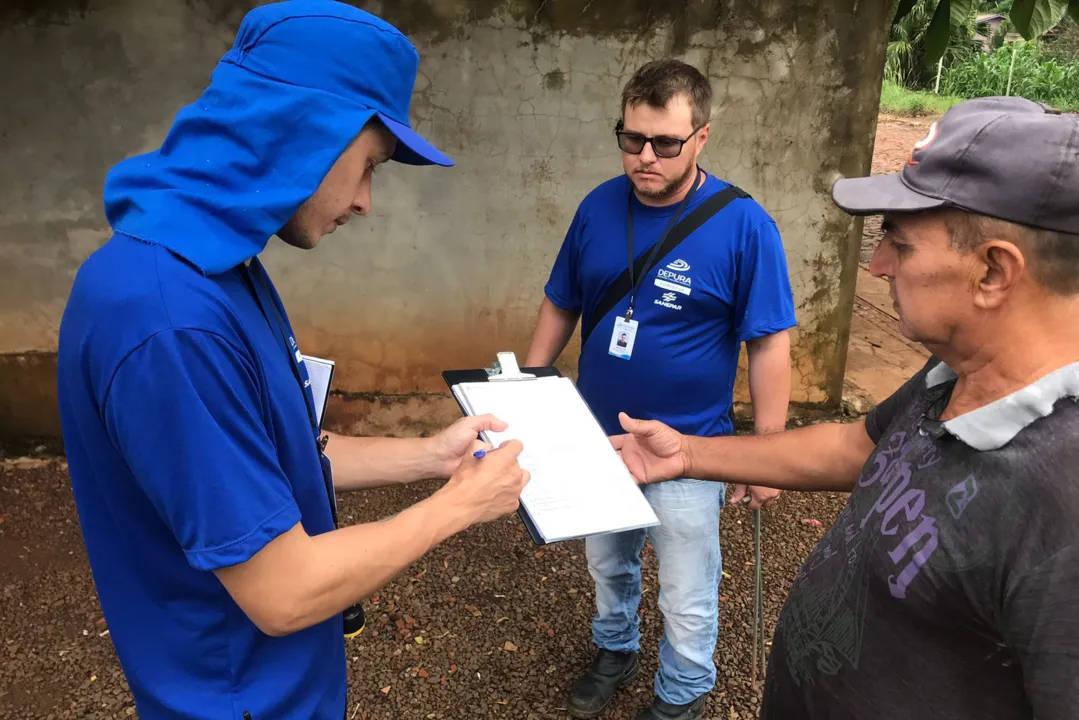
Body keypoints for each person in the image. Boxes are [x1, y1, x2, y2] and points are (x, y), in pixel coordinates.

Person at [55, 2, 528, 718]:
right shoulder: (171, 320)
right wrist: (457, 506)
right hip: (239, 698)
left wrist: (429, 457)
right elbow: (283, 592)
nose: (367, 202)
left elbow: (273, 456)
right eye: (368, 164)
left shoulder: (216, 266)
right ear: (304, 130)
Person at [611, 96, 1079, 720]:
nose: (879, 265)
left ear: (994, 271)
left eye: (900, 243)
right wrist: (690, 453)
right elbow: (856, 446)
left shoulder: (1063, 500)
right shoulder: (954, 374)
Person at [524, 59, 797, 720]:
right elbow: (561, 302)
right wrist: (527, 389)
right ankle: (614, 647)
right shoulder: (596, 206)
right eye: (631, 138)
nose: (644, 157)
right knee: (608, 564)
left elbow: (768, 342)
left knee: (685, 586)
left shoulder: (743, 226)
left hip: (690, 443)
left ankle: (681, 692)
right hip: (600, 438)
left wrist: (767, 454)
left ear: (700, 138)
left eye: (665, 143)